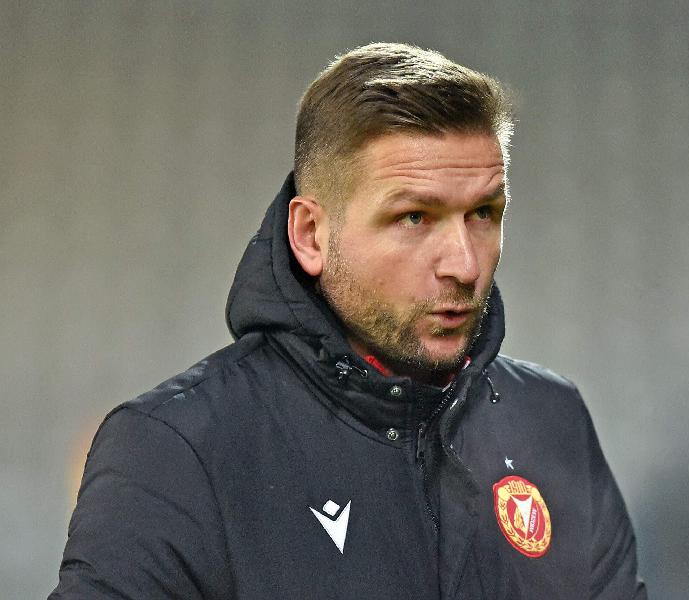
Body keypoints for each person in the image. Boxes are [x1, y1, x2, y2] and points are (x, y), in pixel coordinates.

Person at [50, 43, 647, 599]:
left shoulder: (552, 420)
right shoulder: (175, 450)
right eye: (414, 217)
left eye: (484, 213)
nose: (465, 265)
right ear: (311, 234)